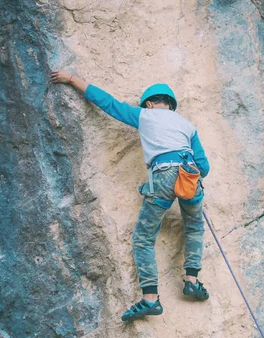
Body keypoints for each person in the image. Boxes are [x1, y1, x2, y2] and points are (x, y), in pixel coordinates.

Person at [50, 70, 210, 322]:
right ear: (170, 105)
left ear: (149, 103)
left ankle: (150, 299)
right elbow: (205, 167)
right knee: (194, 227)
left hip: (163, 175)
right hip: (190, 175)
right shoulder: (187, 125)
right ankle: (192, 280)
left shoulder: (144, 115)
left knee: (144, 238)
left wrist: (72, 79)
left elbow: (109, 104)